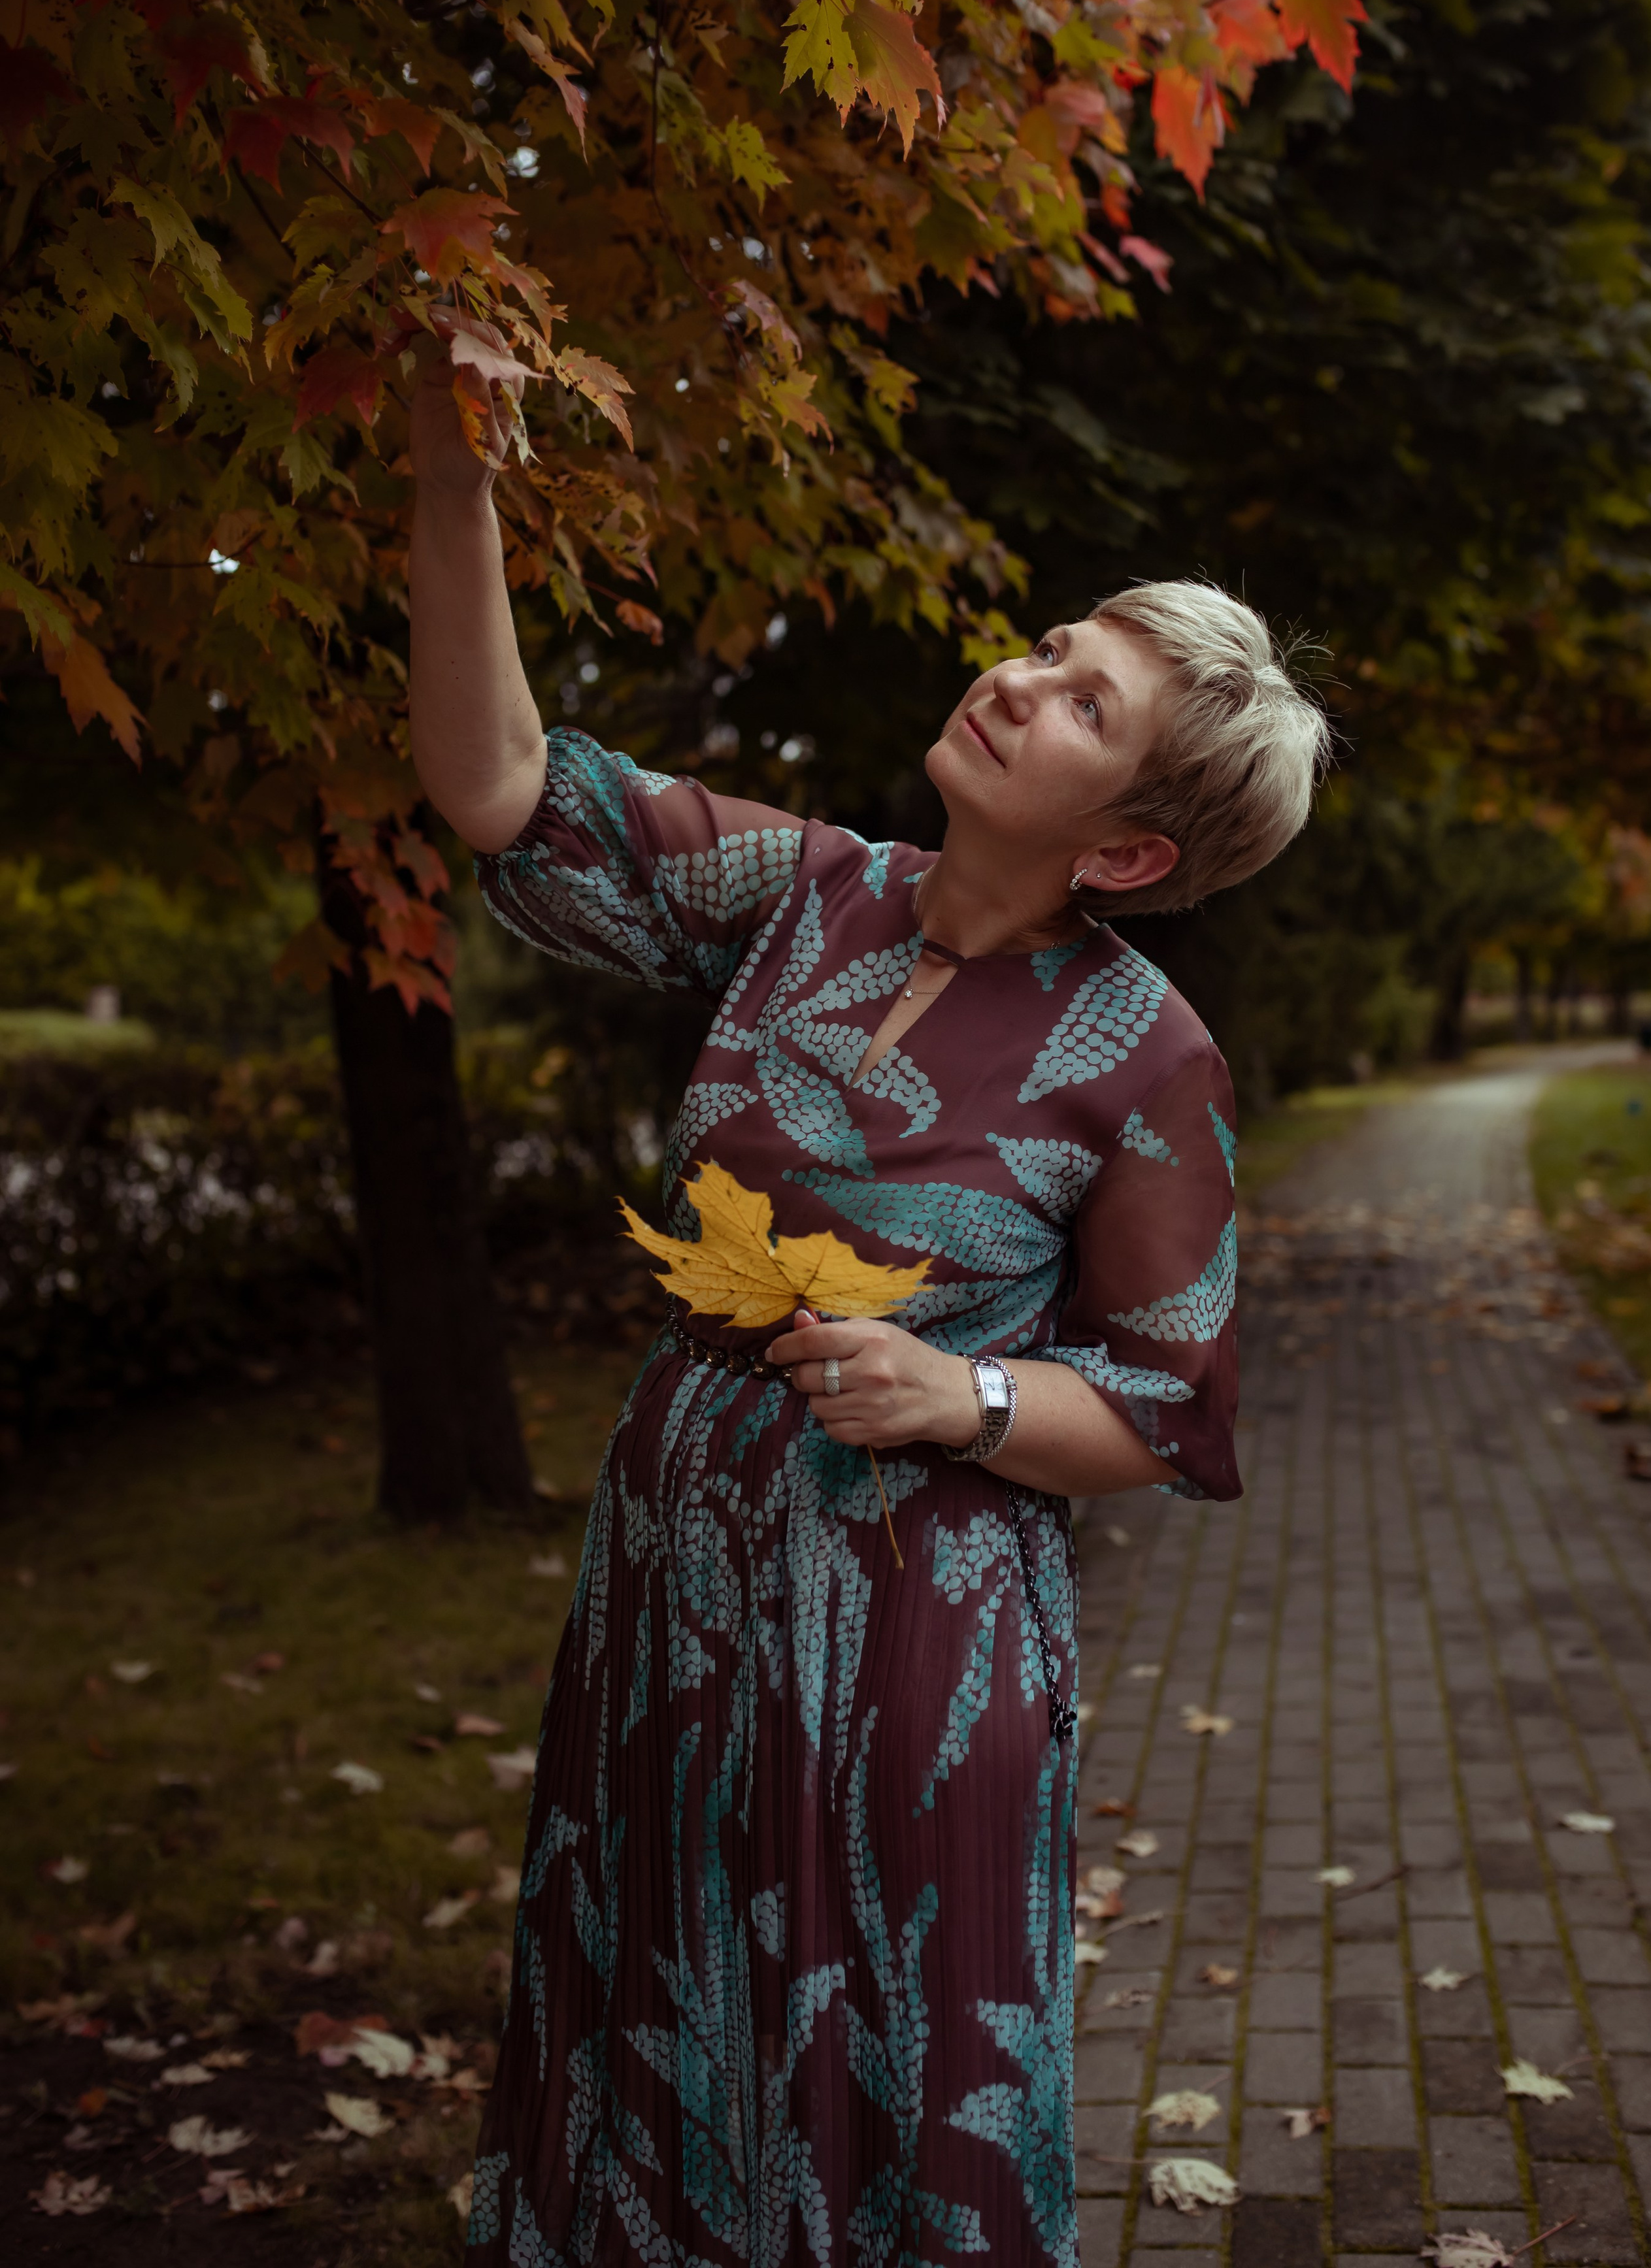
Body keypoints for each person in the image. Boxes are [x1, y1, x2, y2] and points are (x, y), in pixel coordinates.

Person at [405, 340, 1329, 2267]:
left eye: (1084, 699)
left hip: (919, 1635)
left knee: (888, 2079)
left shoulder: (1146, 1061)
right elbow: (500, 789)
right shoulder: (799, 890)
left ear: (1130, 846)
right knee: (648, 2024)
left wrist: (962, 1397)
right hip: (674, 1574)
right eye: (1052, 642)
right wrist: (458, 479)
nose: (1020, 672)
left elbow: (1160, 1415)